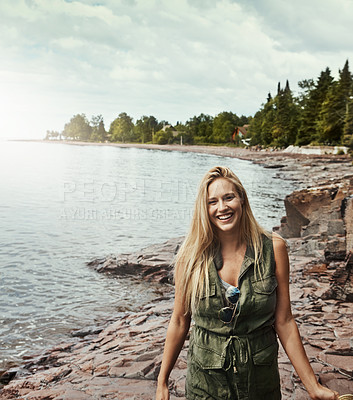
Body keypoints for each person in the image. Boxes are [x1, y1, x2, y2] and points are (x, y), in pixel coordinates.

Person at [155, 166, 339, 400]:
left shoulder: (274, 248)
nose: (222, 207)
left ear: (241, 199)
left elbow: (284, 321)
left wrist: (312, 386)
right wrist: (162, 382)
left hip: (260, 385)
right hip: (205, 386)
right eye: (212, 202)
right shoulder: (190, 258)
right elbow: (180, 321)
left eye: (228, 197)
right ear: (204, 208)